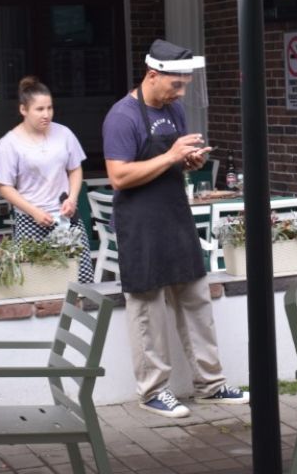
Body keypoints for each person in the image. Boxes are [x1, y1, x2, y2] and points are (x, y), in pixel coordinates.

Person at [102, 39, 248, 417]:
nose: (181, 93)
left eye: (185, 85)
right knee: (148, 311)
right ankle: (153, 391)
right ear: (153, 75)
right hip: (140, 223)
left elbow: (173, 163)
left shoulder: (174, 110)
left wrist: (189, 161)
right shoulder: (122, 117)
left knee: (197, 302)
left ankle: (210, 385)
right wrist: (170, 155)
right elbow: (119, 177)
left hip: (176, 215)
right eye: (176, 84)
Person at [0, 76, 92, 283]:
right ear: (23, 110)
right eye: (39, 109)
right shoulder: (9, 143)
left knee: (80, 279)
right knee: (38, 282)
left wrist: (72, 198)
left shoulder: (64, 133)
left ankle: (79, 305)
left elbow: (75, 169)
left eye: (49, 108)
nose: (46, 114)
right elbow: (4, 186)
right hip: (32, 219)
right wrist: (34, 212)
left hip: (66, 217)